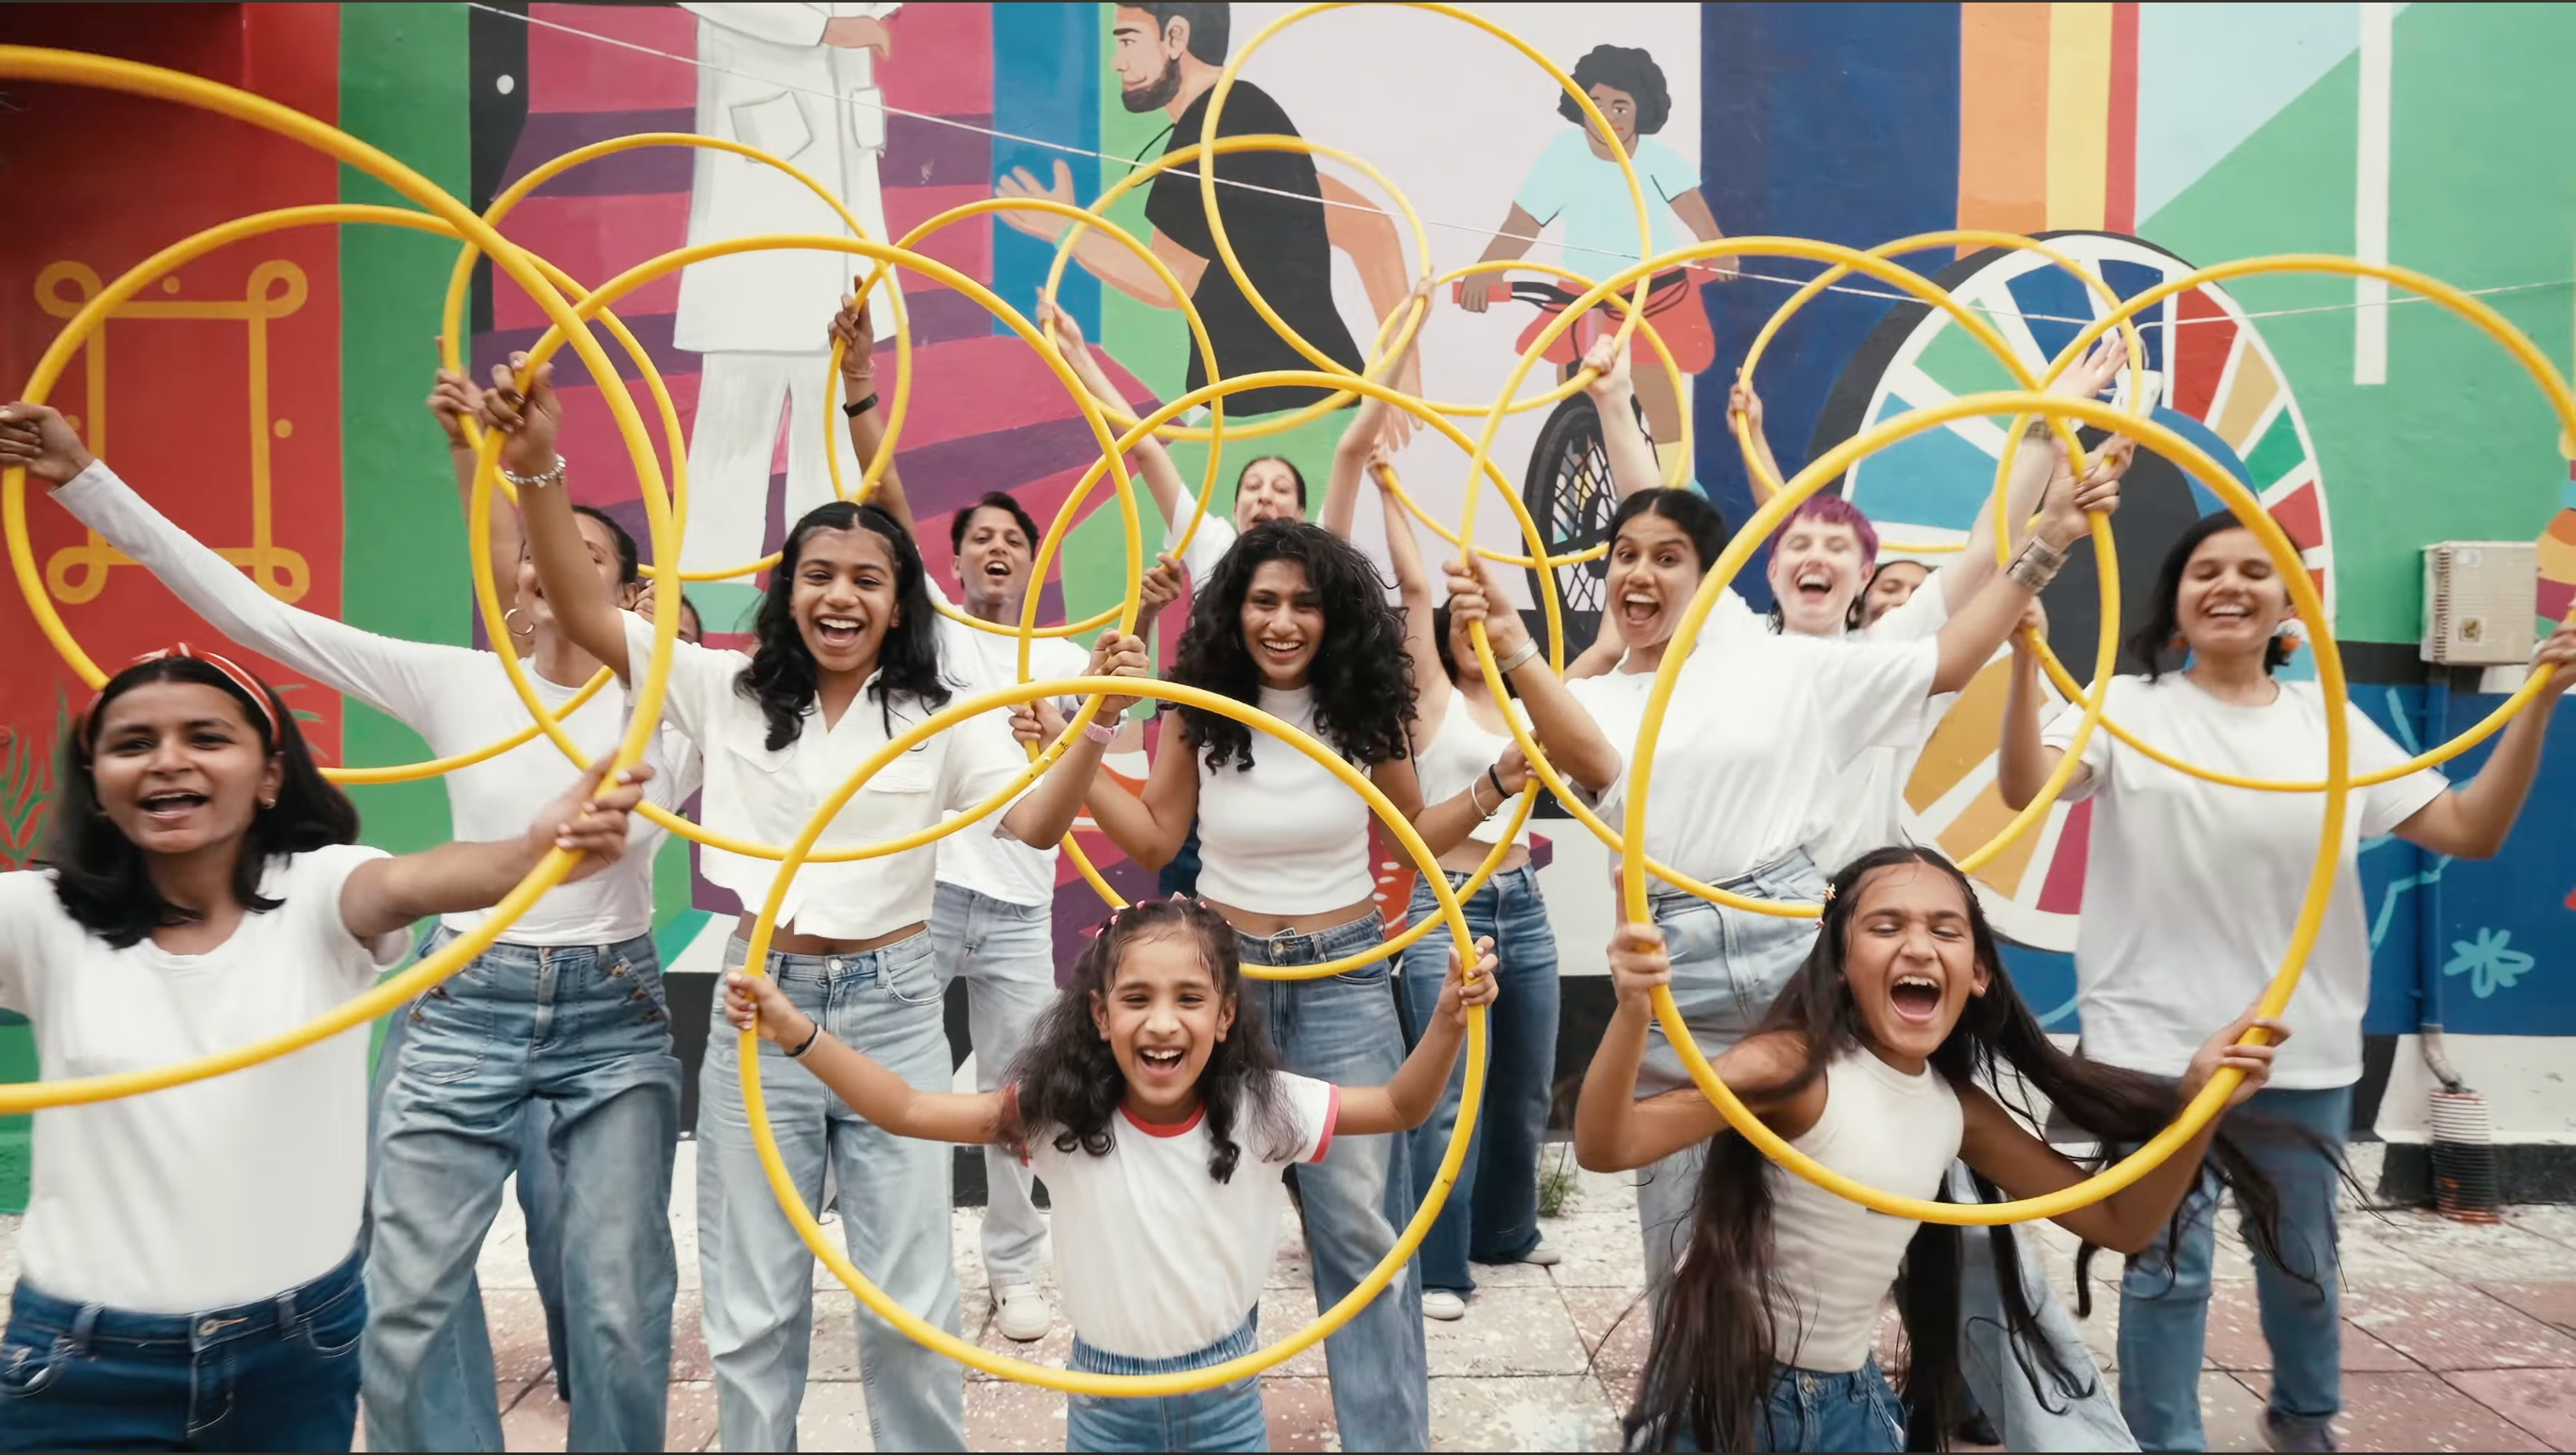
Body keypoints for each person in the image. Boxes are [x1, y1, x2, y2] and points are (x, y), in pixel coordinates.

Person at [3, 390, 699, 1452]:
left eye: (580, 554)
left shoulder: (679, 703)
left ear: (627, 588)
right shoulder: (458, 682)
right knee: (406, 1301)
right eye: (531, 554)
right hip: (463, 994)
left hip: (612, 1004)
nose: (544, 569)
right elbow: (252, 617)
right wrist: (84, 477)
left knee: (615, 1308)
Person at [492, 354, 1147, 1452]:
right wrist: (538, 467)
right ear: (788, 591)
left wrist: (1090, 730)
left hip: (892, 1004)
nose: (841, 594)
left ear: (899, 605)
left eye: (867, 579)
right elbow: (578, 603)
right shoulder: (724, 687)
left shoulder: (947, 713)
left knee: (909, 1308)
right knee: (751, 1310)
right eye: (820, 574)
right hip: (760, 1005)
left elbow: (1034, 828)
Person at [1999, 513, 2576, 1453]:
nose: (2229, 584)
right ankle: (2163, 1440)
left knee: (2303, 1263)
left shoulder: (2330, 725)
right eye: (2206, 572)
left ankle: (2306, 1425)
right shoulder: (2126, 707)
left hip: (2293, 1047)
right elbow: (2024, 788)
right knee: (2164, 1264)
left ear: (2288, 609)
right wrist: (2027, 663)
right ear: (2177, 608)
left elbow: (2471, 829)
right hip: (2152, 1047)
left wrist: (2543, 698)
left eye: (2256, 571)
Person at [1576, 848, 2300, 1453]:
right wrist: (1634, 1014)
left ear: (1978, 974)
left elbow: (2120, 1223)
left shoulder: (1956, 1110)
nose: (1918, 946)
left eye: (1946, 931)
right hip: (1735, 1402)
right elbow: (1609, 1146)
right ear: (1838, 963)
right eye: (1886, 926)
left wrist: (2201, 1102)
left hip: (1850, 1407)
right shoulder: (1790, 1069)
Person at [722, 896, 1500, 1452]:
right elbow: (906, 1110)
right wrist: (798, 1032)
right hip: (1105, 1406)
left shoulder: (1267, 1109)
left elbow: (1401, 1104)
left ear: (1226, 1015)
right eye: (1137, 999)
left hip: (1227, 1398)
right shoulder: (1061, 1116)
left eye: (1190, 999)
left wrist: (1446, 1020)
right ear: (1100, 1017)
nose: (1162, 1022)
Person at [1064, 512, 1502, 1449]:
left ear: (1334, 614)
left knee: (1360, 1235)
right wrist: (1068, 755)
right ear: (1234, 609)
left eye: (1305, 602)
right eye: (1264, 600)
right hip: (1229, 990)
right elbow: (1151, 840)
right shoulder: (1199, 706)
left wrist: (1502, 782)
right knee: (1215, 1222)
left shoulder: (1365, 706)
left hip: (1345, 977)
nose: (1284, 620)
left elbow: (1410, 833)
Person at [830, 292, 1170, 1343]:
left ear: (1035, 557)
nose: (992, 551)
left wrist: (1140, 637)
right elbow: (882, 491)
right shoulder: (936, 639)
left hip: (1019, 910)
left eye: (1008, 540)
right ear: (959, 559)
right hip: (928, 898)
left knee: (1020, 1100)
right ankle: (906, 1263)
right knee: (901, 1091)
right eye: (975, 539)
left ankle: (1016, 1270)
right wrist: (858, 385)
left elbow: (1119, 792)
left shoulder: (1071, 659)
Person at [1308, 344, 1613, 1320]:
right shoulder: (1432, 695)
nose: (1473, 621)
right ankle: (1439, 1264)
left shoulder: (1526, 694)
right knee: (1446, 1102)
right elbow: (1416, 587)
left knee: (1525, 1084)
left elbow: (1607, 652)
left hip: (1522, 902)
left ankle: (1508, 1231)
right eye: (1459, 616)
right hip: (1451, 901)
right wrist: (1396, 488)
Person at [998, 3, 1417, 425]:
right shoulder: (1246, 111)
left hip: (1285, 411)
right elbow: (1369, 226)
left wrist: (1067, 230)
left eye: (1128, 40)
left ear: (1176, 38)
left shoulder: (1210, 136)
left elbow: (1169, 282)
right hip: (1304, 401)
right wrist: (1400, 376)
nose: (1117, 62)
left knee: (1148, 479)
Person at [674, 1, 905, 586]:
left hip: (843, 202)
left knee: (830, 449)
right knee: (735, 427)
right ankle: (704, 610)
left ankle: (821, 598)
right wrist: (822, 27)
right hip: (763, 191)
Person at [1461, 43, 1732, 452]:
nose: (1606, 117)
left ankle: (1676, 496)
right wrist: (1486, 271)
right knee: (1575, 411)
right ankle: (1573, 503)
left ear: (1643, 110)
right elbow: (1521, 224)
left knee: (1663, 415)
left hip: (1653, 297)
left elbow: (1707, 231)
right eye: (1596, 103)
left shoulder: (1660, 162)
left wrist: (1721, 254)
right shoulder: (1563, 155)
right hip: (1581, 297)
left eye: (1620, 107)